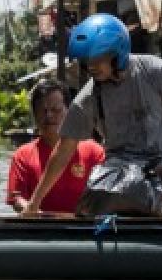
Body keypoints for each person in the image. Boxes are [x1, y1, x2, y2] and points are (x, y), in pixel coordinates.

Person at [22, 14, 162, 218]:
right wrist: (34, 203)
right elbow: (62, 151)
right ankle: (153, 208)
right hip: (122, 174)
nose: (91, 66)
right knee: (103, 197)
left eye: (98, 58)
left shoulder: (157, 71)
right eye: (87, 60)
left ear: (117, 52)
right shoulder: (88, 97)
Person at [7, 79, 105, 214]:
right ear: (34, 115)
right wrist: (33, 211)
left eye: (56, 110)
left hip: (84, 229)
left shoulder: (94, 151)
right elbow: (17, 198)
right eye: (43, 110)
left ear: (69, 112)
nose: (49, 116)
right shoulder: (22, 155)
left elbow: (105, 196)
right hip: (41, 226)